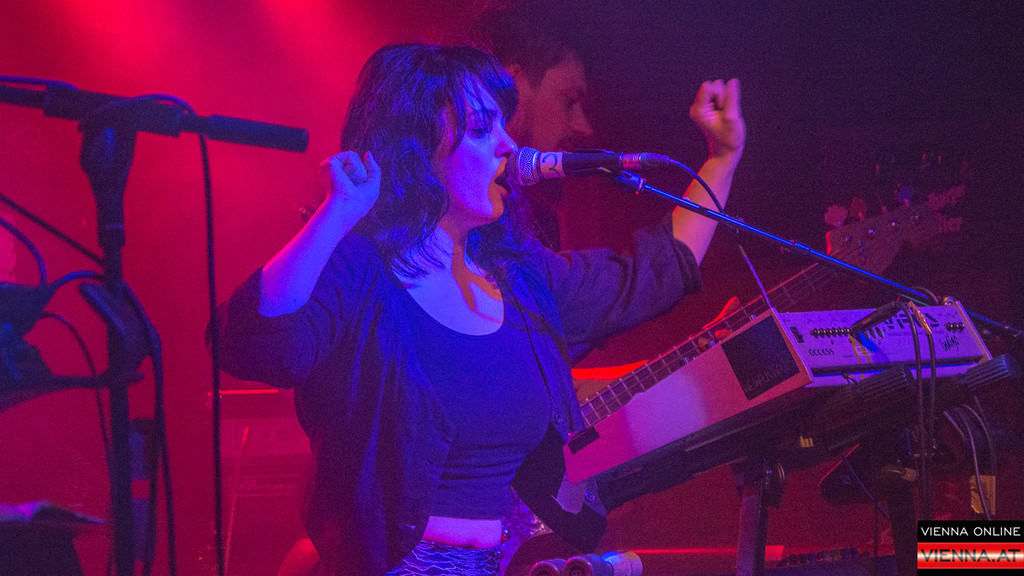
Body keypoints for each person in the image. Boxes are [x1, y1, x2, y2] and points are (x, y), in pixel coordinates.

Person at [216, 43, 744, 576]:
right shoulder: (361, 268)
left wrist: (721, 160)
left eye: (503, 125)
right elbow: (254, 343)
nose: (508, 144)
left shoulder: (521, 277)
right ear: (416, 147)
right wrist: (337, 215)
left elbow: (646, 275)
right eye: (479, 128)